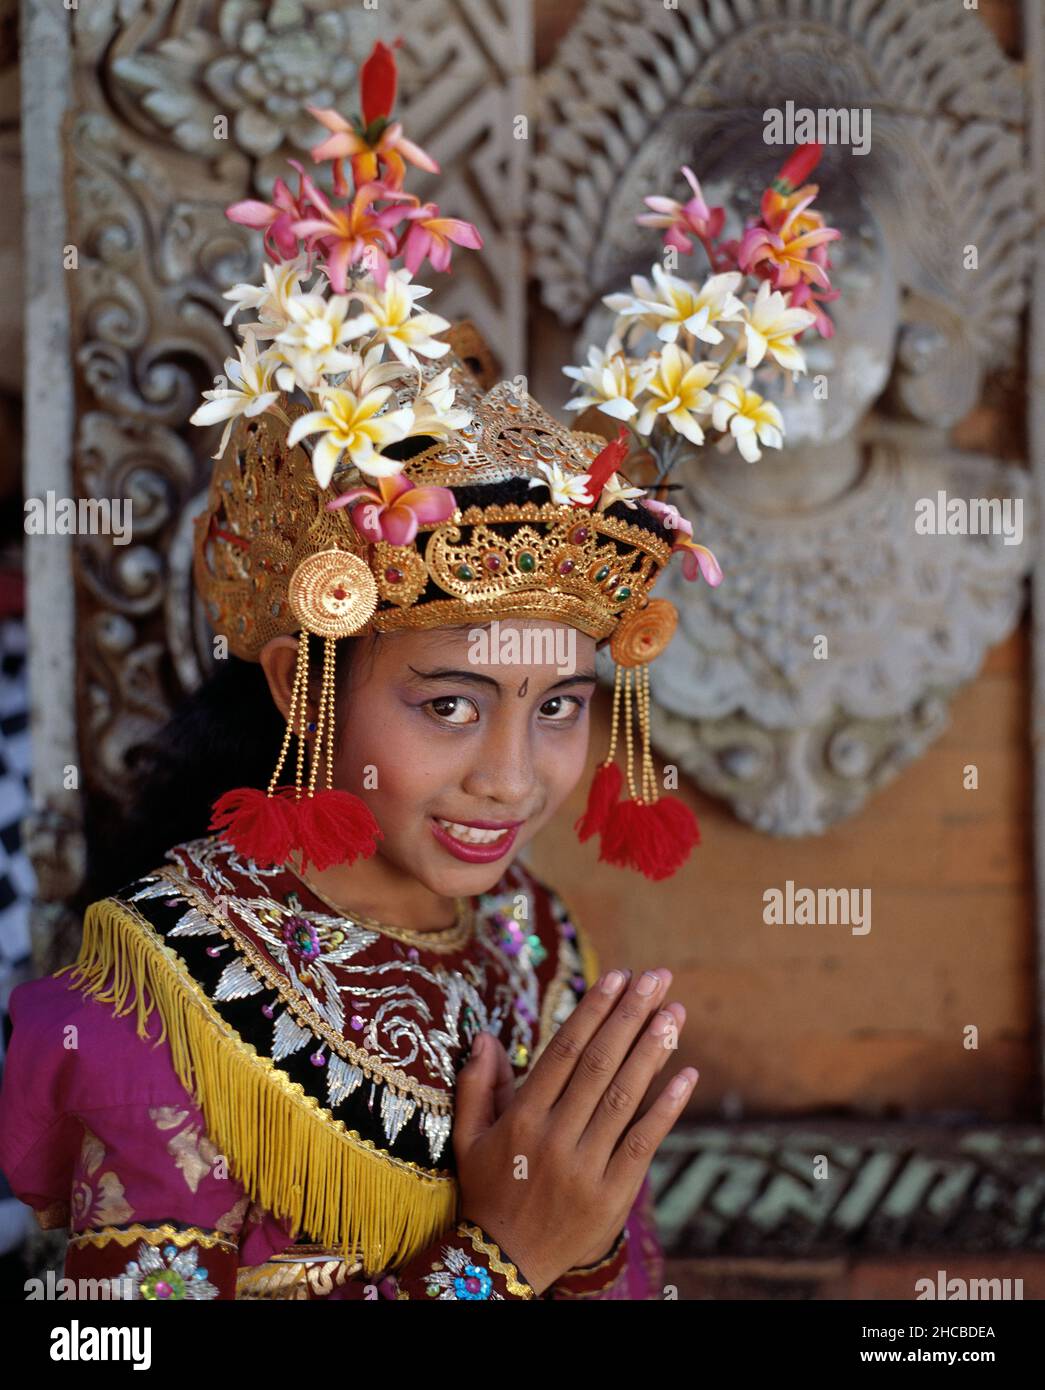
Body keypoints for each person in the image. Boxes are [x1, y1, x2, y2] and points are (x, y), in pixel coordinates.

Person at [0, 38, 721, 1298]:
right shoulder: (158, 986)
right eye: (449, 704)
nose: (512, 777)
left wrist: (592, 1246)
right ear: (301, 683)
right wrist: (496, 1268)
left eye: (557, 705)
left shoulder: (537, 947)